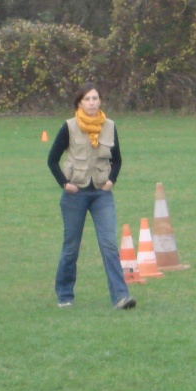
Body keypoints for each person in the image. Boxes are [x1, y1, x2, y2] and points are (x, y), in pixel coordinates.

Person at [46, 83, 136, 310]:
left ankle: (121, 297)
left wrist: (111, 181)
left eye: (95, 98)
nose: (92, 103)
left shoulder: (110, 126)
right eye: (87, 99)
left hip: (101, 194)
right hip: (75, 194)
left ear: (100, 101)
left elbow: (118, 159)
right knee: (71, 246)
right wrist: (65, 184)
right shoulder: (69, 127)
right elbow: (52, 160)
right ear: (79, 103)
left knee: (109, 245)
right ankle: (65, 295)